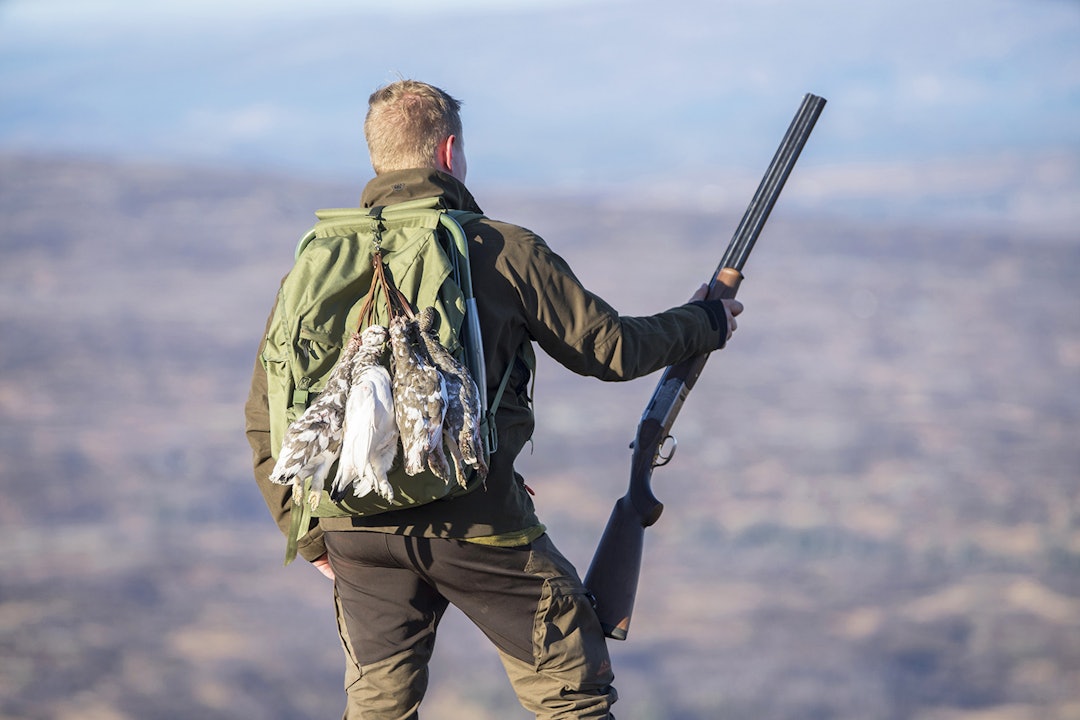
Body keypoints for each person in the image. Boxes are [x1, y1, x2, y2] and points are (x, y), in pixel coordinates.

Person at [245, 79, 743, 719]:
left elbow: (268, 410)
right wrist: (705, 321)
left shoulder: (317, 263)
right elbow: (612, 349)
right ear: (449, 152)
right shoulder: (500, 248)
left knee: (378, 705)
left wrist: (308, 531)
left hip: (353, 527)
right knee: (570, 688)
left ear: (377, 155)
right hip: (476, 522)